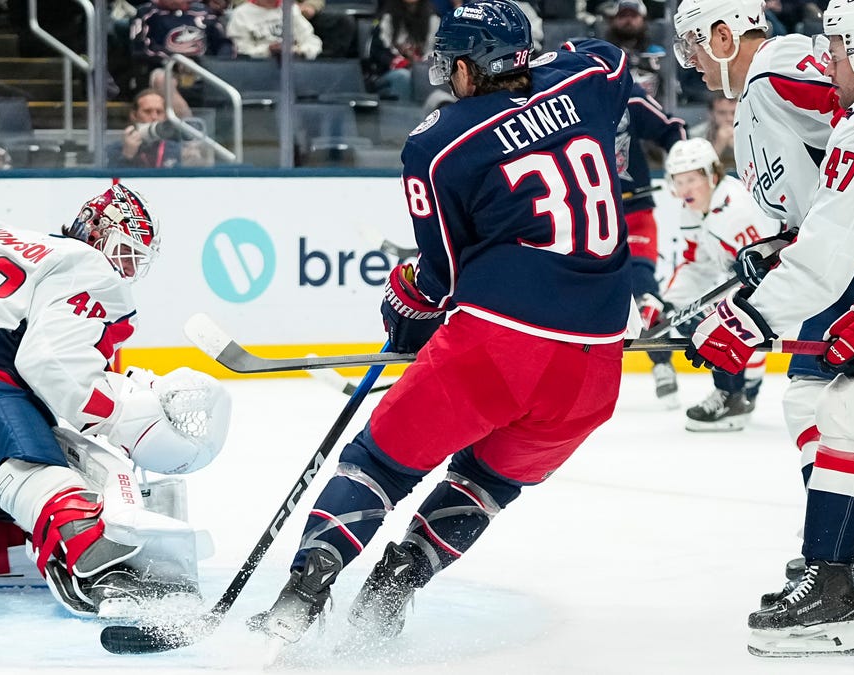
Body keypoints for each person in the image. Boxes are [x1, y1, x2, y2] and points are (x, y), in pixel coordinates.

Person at [248, 0, 635, 646]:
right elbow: (612, 57)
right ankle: (397, 581)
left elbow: (443, 278)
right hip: (596, 369)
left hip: (501, 344)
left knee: (379, 462)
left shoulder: (437, 144)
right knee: (486, 480)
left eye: (449, 60)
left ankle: (299, 596)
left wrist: (405, 301)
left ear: (470, 65)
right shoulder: (587, 79)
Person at [682, 0, 854, 656]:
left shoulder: (850, 106)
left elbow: (837, 227)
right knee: (839, 412)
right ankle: (842, 574)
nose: (832, 66)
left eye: (842, 53)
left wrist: (754, 317)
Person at [0, 185, 232, 618]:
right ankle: (94, 569)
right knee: (54, 480)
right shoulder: (90, 266)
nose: (126, 268)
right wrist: (117, 412)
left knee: (41, 455)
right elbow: (50, 360)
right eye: (127, 253)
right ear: (100, 233)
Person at [659, 138, 780, 430]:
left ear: (712, 175)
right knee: (688, 312)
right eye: (678, 181)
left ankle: (732, 395)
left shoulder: (736, 210)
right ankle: (742, 386)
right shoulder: (698, 207)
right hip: (756, 294)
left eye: (691, 179)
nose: (684, 189)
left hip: (778, 293)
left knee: (707, 322)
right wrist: (668, 303)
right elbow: (695, 265)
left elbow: (767, 274)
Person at [618, 76, 686, 409]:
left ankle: (662, 364)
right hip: (586, 217)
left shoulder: (625, 96)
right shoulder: (560, 102)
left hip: (634, 211)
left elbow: (670, 128)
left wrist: (685, 170)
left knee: (643, 289)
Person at [109, 88, 212, 168]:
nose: (154, 117)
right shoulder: (116, 149)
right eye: (147, 111)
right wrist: (127, 155)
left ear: (165, 116)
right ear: (134, 115)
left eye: (159, 112)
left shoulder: (178, 150)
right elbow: (110, 188)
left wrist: (195, 163)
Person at [364, 0, 438, 102]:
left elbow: (435, 51)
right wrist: (399, 62)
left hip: (422, 69)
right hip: (387, 72)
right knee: (403, 76)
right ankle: (406, 115)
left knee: (429, 76)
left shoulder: (433, 19)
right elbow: (376, 52)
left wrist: (419, 64)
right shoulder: (386, 17)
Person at [599, 0, 665, 98]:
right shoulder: (604, 54)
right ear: (613, 20)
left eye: (633, 16)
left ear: (643, 19)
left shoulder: (657, 53)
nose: (628, 20)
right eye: (623, 16)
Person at [227, 0, 322, 60]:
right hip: (256, 71)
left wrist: (298, 51)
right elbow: (240, 52)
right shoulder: (241, 14)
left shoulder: (292, 10)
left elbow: (313, 42)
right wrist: (268, 50)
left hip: (293, 69)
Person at [688, 91, 737, 174]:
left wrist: (738, 147)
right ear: (711, 114)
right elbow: (695, 171)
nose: (729, 118)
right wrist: (718, 145)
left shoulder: (751, 132)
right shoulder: (696, 135)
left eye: (734, 112)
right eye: (722, 113)